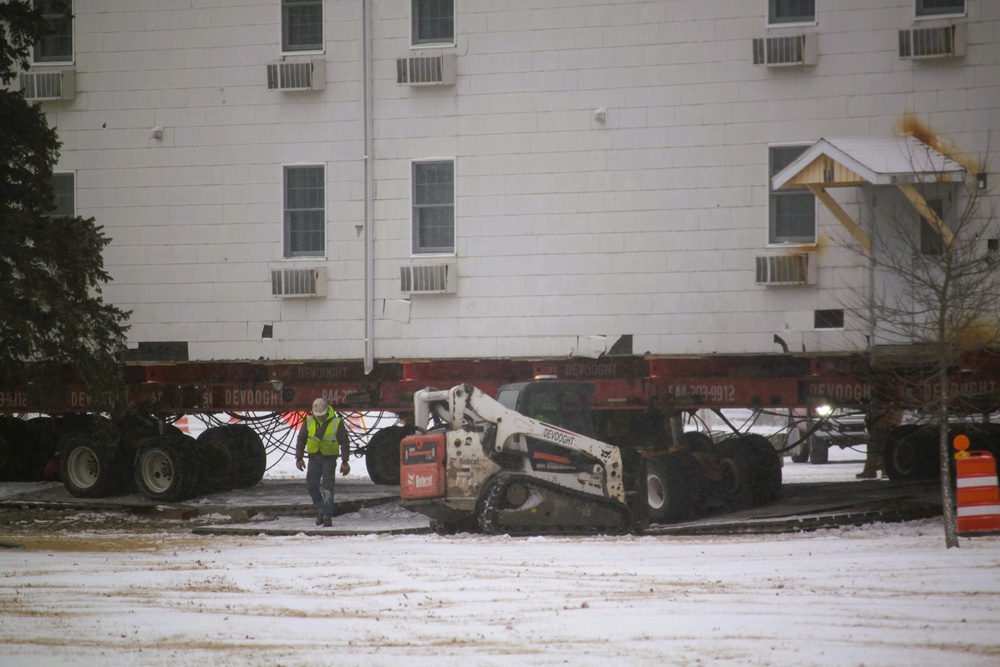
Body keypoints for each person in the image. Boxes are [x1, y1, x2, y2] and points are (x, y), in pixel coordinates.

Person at [296, 398, 351, 527]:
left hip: (329, 460)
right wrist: (299, 458)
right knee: (311, 487)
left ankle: (327, 517)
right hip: (313, 459)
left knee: (328, 489)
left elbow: (344, 442)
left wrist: (345, 461)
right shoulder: (309, 422)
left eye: (322, 415)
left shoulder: (337, 423)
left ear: (327, 411)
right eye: (318, 415)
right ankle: (322, 509)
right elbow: (301, 440)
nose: (320, 417)